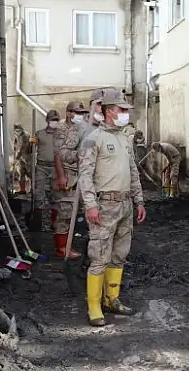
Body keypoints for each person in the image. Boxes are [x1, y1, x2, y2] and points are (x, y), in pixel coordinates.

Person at [78, 89, 146, 327]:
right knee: (99, 257)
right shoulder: (93, 139)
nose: (126, 113)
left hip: (126, 204)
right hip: (104, 205)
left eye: (126, 110)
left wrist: (139, 200)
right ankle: (94, 307)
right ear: (108, 112)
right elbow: (84, 176)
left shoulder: (124, 138)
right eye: (122, 110)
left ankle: (112, 299)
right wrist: (91, 206)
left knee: (119, 256)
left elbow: (133, 171)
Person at [52, 101, 89, 260]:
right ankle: (62, 248)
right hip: (67, 174)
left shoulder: (81, 128)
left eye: (81, 113)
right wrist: (61, 175)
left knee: (75, 210)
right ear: (68, 113)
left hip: (78, 174)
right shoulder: (61, 129)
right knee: (65, 212)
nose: (79, 116)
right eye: (76, 112)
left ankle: (68, 244)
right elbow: (57, 154)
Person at [29, 110, 61, 232]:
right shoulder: (40, 134)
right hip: (42, 167)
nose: (55, 122)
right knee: (39, 194)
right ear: (47, 121)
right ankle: (38, 222)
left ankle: (54, 222)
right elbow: (29, 150)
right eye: (53, 120)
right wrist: (30, 143)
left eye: (56, 120)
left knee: (55, 195)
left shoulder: (61, 134)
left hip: (56, 168)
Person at [11, 124, 31, 194]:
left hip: (28, 156)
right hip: (21, 157)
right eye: (16, 131)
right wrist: (15, 145)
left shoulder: (26, 135)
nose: (17, 132)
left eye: (18, 130)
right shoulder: (17, 135)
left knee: (30, 173)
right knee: (21, 173)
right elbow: (17, 143)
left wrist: (16, 158)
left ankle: (32, 190)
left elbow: (23, 148)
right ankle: (22, 190)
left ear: (21, 130)